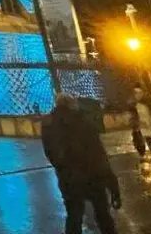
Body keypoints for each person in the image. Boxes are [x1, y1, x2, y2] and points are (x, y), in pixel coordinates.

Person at [43, 93, 121, 234]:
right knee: (103, 215)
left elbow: (50, 153)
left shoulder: (49, 125)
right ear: (72, 105)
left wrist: (63, 170)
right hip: (93, 177)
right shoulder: (84, 122)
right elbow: (98, 155)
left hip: (68, 180)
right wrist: (113, 185)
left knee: (74, 217)